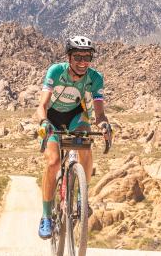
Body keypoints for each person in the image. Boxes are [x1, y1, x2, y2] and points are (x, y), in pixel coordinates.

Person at [35, 35, 112, 239]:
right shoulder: (56, 71)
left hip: (76, 115)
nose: (83, 62)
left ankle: (81, 197)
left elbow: (99, 114)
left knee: (85, 144)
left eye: (87, 57)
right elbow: (42, 106)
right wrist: (43, 123)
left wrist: (104, 125)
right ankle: (46, 217)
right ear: (69, 57)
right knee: (53, 161)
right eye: (78, 57)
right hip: (51, 116)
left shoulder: (95, 78)